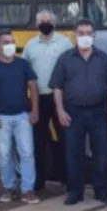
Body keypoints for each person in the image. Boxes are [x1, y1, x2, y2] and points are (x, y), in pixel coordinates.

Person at [49, 19, 107, 206]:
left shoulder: (103, 59)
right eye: (81, 33)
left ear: (94, 36)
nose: (85, 37)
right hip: (74, 113)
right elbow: (57, 87)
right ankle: (74, 192)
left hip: (99, 111)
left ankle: (101, 191)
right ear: (75, 35)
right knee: (73, 154)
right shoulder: (65, 59)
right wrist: (60, 110)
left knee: (100, 154)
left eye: (88, 33)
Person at [0, 31, 41, 204]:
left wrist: (35, 111)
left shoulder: (22, 64)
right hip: (1, 118)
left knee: (27, 153)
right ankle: (9, 187)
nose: (11, 45)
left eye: (12, 42)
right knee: (4, 155)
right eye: (6, 42)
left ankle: (28, 189)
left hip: (22, 116)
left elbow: (33, 87)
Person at [22, 10, 74, 190]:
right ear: (37, 24)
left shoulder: (64, 43)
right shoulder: (30, 45)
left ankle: (67, 178)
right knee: (38, 140)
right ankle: (39, 179)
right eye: (41, 21)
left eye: (48, 20)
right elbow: (24, 70)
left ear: (54, 22)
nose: (45, 23)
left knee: (65, 139)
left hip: (60, 98)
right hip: (38, 99)